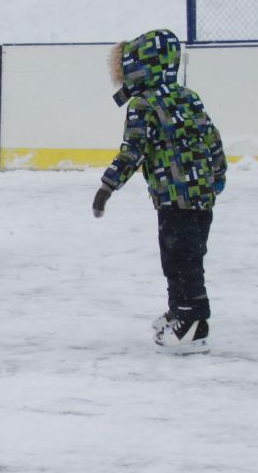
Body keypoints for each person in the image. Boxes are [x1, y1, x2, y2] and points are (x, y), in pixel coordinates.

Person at [90, 28, 228, 353]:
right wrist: (217, 176)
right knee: (190, 256)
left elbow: (132, 151)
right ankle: (180, 311)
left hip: (173, 197)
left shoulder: (143, 104)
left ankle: (193, 324)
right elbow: (212, 139)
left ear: (140, 69)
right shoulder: (188, 96)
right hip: (202, 195)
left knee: (179, 259)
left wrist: (107, 186)